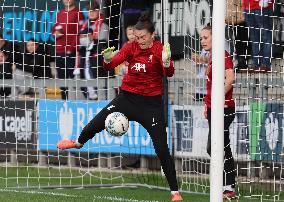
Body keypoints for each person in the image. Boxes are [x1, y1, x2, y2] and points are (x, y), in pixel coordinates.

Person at [57, 12, 183, 202]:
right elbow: (110, 67)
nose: (139, 40)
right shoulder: (130, 47)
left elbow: (170, 73)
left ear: (152, 35)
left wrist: (166, 62)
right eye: (136, 36)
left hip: (151, 105)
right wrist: (107, 60)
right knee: (97, 121)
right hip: (127, 99)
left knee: (161, 148)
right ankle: (79, 142)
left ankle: (175, 192)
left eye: (142, 37)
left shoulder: (159, 50)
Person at [200, 26, 237, 199]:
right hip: (214, 108)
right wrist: (206, 104)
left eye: (206, 37)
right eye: (201, 38)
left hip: (224, 108)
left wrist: (216, 99)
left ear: (215, 38)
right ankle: (227, 185)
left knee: (216, 146)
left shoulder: (223, 55)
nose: (202, 41)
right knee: (221, 146)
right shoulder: (211, 56)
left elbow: (231, 78)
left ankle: (227, 184)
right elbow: (211, 85)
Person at [52, 0, 84, 99]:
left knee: (75, 81)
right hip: (59, 52)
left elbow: (79, 33)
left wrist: (71, 49)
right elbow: (56, 29)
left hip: (71, 53)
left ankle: (82, 103)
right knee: (62, 82)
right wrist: (55, 33)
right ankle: (64, 103)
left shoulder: (78, 13)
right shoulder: (59, 13)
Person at [242, 0, 274, 73]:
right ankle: (255, 64)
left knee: (266, 36)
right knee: (254, 38)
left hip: (262, 6)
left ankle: (265, 64)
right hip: (247, 6)